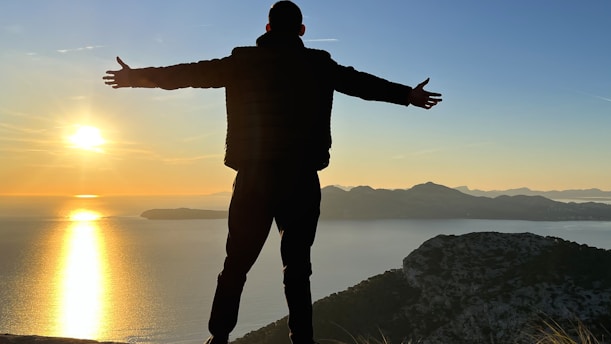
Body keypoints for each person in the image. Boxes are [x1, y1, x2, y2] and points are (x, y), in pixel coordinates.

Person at [103, 1, 441, 344]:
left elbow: (188, 73)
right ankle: (302, 340)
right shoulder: (318, 65)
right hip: (301, 178)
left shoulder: (242, 62)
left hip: (253, 177)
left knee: (235, 264)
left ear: (267, 29)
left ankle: (218, 338)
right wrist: (407, 95)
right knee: (297, 269)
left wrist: (135, 78)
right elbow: (362, 84)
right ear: (302, 31)